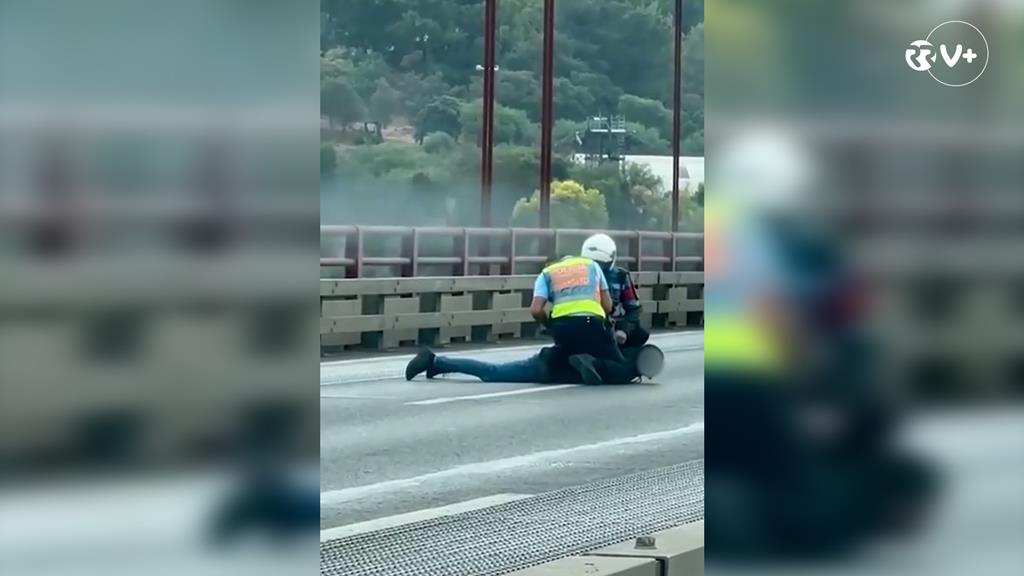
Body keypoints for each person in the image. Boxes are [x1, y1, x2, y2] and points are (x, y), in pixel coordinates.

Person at [529, 249, 625, 384]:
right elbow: (608, 306)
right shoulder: (592, 265)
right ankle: (593, 362)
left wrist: (549, 325)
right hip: (591, 324)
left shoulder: (546, 273)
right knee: (621, 368)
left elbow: (535, 310)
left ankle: (550, 357)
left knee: (566, 357)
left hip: (562, 327)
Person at [404, 343, 665, 384]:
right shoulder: (624, 370)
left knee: (493, 372)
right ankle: (435, 360)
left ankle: (437, 363)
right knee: (494, 373)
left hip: (549, 358)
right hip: (550, 368)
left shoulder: (619, 347)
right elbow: (595, 370)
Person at [581, 233, 650, 348]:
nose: (597, 269)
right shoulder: (576, 275)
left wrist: (624, 329)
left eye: (601, 265)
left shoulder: (621, 276)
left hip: (609, 323)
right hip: (584, 322)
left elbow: (634, 308)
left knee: (640, 332)